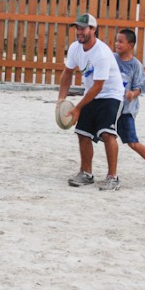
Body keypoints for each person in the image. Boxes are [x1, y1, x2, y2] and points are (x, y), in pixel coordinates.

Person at [57, 13, 125, 191]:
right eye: (77, 28)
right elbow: (67, 73)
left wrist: (78, 108)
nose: (79, 31)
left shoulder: (101, 53)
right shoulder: (74, 48)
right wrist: (61, 99)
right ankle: (86, 173)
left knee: (107, 133)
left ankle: (113, 177)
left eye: (83, 28)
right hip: (92, 93)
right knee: (82, 132)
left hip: (110, 94)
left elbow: (99, 86)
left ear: (93, 29)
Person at [114, 28, 145, 187]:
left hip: (127, 110)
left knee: (133, 143)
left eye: (121, 41)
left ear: (131, 45)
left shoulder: (136, 65)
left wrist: (132, 94)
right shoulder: (112, 59)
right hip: (112, 106)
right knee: (105, 136)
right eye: (116, 40)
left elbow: (139, 88)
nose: (117, 44)